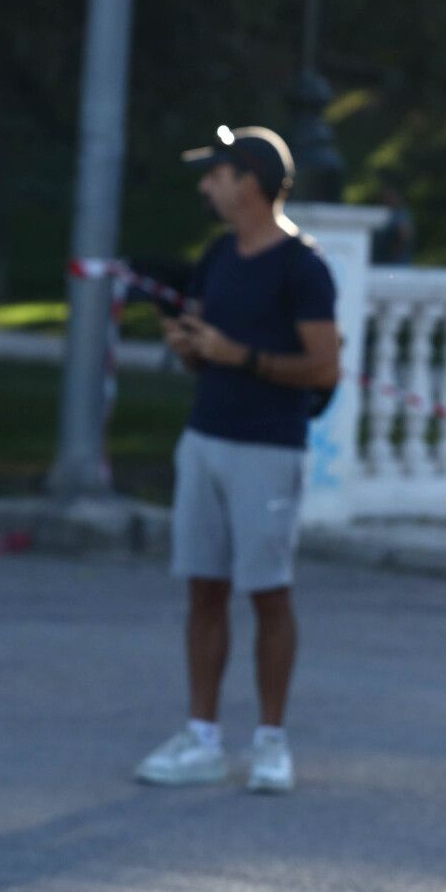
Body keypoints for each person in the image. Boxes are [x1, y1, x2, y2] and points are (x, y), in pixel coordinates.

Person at [134, 125, 339, 795]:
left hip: (267, 451)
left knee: (269, 594)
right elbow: (212, 344)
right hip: (205, 440)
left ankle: (272, 744)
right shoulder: (220, 255)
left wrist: (238, 357)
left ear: (248, 181)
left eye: (216, 174)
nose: (205, 186)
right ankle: (201, 738)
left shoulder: (302, 267)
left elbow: (324, 368)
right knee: (203, 590)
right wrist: (193, 348)